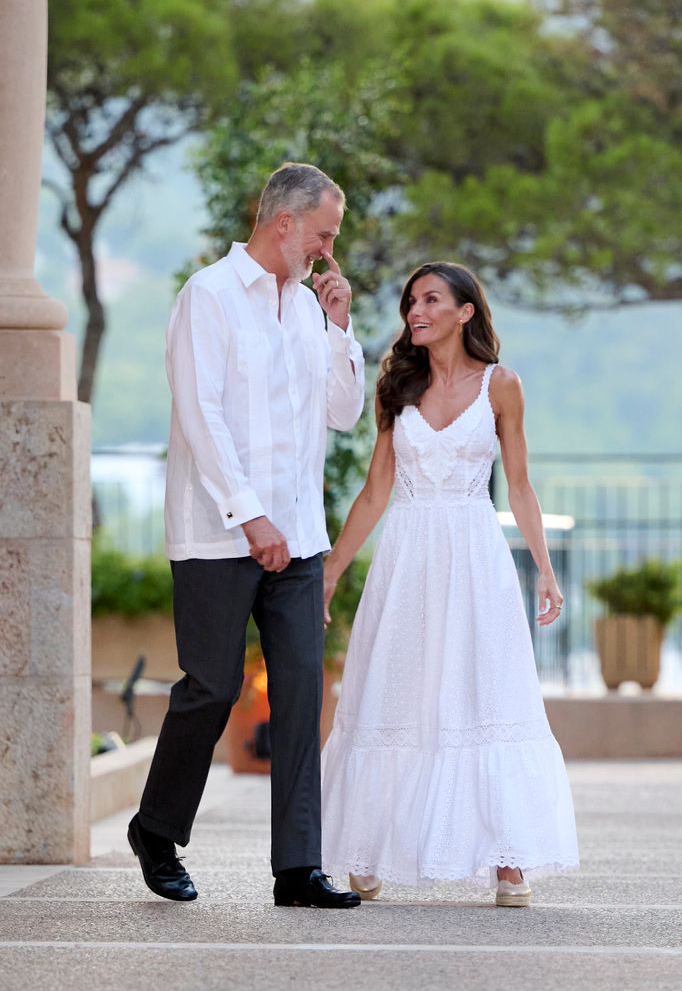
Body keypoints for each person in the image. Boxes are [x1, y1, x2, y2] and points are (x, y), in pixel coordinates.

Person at [128, 162, 365, 909]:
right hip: (216, 534)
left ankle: (298, 868)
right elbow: (201, 414)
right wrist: (248, 513)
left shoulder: (306, 308)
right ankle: (157, 830)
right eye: (324, 235)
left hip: (298, 536)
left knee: (301, 690)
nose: (329, 251)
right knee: (213, 686)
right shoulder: (208, 295)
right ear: (284, 222)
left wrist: (340, 328)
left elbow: (344, 412)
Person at [321, 261, 579, 907]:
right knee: (392, 692)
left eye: (431, 299)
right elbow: (376, 491)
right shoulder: (396, 387)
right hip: (406, 559)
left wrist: (545, 569)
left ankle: (509, 858)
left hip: (474, 559)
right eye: (412, 301)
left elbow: (518, 485)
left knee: (485, 694)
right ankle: (368, 845)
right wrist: (329, 572)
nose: (416, 310)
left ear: (465, 311)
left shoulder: (501, 386)